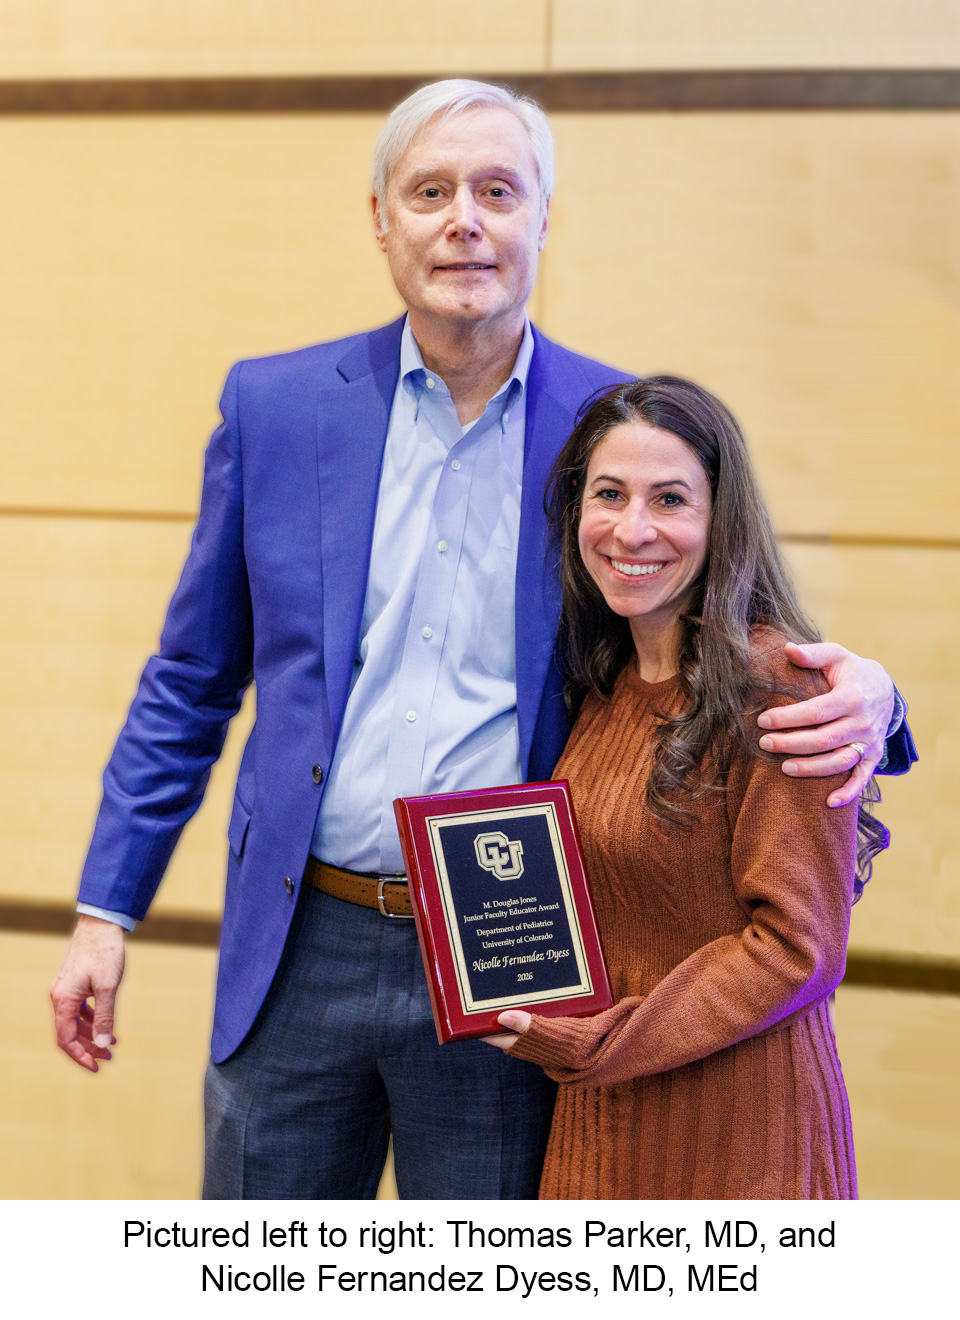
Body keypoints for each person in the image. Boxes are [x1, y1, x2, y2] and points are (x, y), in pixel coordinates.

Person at [50, 80, 914, 1200]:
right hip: (299, 937)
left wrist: (880, 695)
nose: (465, 219)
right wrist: (105, 912)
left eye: (498, 191)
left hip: (511, 946)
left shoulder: (615, 428)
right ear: (381, 219)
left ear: (545, 218)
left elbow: (722, 616)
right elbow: (189, 680)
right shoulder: (275, 410)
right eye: (431, 191)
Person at [486, 375, 889, 1198]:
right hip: (603, 1129)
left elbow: (797, 947)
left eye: (670, 499)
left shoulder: (777, 687)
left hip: (742, 1139)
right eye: (609, 495)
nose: (632, 529)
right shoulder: (603, 687)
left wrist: (598, 1043)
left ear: (720, 520)